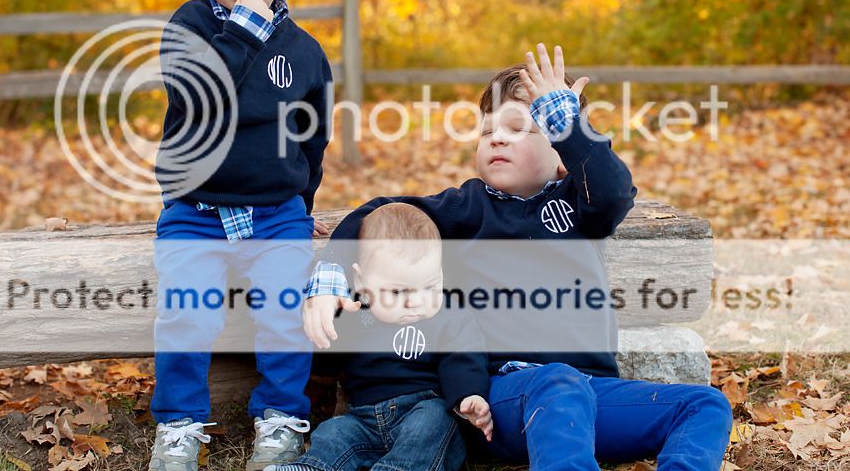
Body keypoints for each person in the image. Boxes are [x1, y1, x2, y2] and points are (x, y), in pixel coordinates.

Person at [304, 44, 733, 471]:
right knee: (557, 382)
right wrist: (330, 279)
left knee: (705, 404)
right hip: (506, 399)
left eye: (519, 128)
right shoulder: (467, 207)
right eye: (487, 130)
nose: (497, 137)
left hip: (592, 393)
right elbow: (377, 213)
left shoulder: (583, 205)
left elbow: (614, 189)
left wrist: (565, 121)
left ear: (564, 156)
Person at [150, 0, 332, 471]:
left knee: (285, 309)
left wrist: (301, 201)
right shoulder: (188, 27)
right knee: (186, 309)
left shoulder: (304, 52)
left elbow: (314, 136)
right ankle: (178, 425)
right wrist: (243, 33)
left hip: (275, 214)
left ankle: (280, 418)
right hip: (195, 211)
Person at [266, 202, 492, 471]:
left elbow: (463, 355)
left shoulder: (449, 315)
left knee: (434, 423)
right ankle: (312, 466)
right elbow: (329, 355)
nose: (416, 302)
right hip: (363, 418)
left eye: (430, 286)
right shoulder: (354, 313)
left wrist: (469, 394)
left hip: (421, 408)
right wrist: (320, 366)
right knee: (334, 433)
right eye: (398, 292)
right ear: (362, 282)